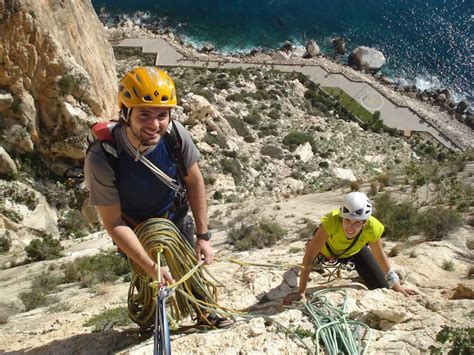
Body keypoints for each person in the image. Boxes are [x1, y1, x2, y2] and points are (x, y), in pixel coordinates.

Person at [84, 66, 231, 327]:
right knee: (150, 281)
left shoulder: (175, 135)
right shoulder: (103, 157)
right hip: (135, 229)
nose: (154, 125)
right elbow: (113, 222)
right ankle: (153, 319)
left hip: (174, 217)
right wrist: (151, 266)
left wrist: (203, 236)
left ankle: (204, 310)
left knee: (189, 269)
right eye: (145, 114)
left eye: (162, 115)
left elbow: (195, 181)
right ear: (126, 113)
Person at [284, 192, 417, 304]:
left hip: (354, 252)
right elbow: (309, 256)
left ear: (364, 223)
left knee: (381, 286)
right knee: (311, 263)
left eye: (357, 223)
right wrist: (301, 291)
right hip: (324, 253)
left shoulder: (372, 227)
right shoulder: (331, 222)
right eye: (347, 220)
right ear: (341, 217)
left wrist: (395, 284)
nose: (350, 227)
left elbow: (379, 255)